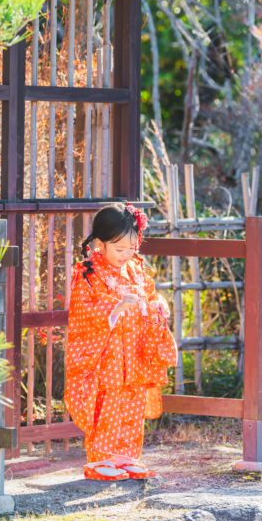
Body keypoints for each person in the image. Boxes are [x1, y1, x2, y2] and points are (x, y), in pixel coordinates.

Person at [64, 202, 176, 481]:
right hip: (108, 353)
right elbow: (83, 311)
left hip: (136, 348)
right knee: (108, 401)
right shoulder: (89, 273)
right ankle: (101, 458)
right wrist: (115, 308)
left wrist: (158, 304)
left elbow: (149, 296)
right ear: (100, 244)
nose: (126, 255)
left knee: (133, 401)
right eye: (119, 249)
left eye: (131, 248)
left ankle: (126, 456)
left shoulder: (136, 270)